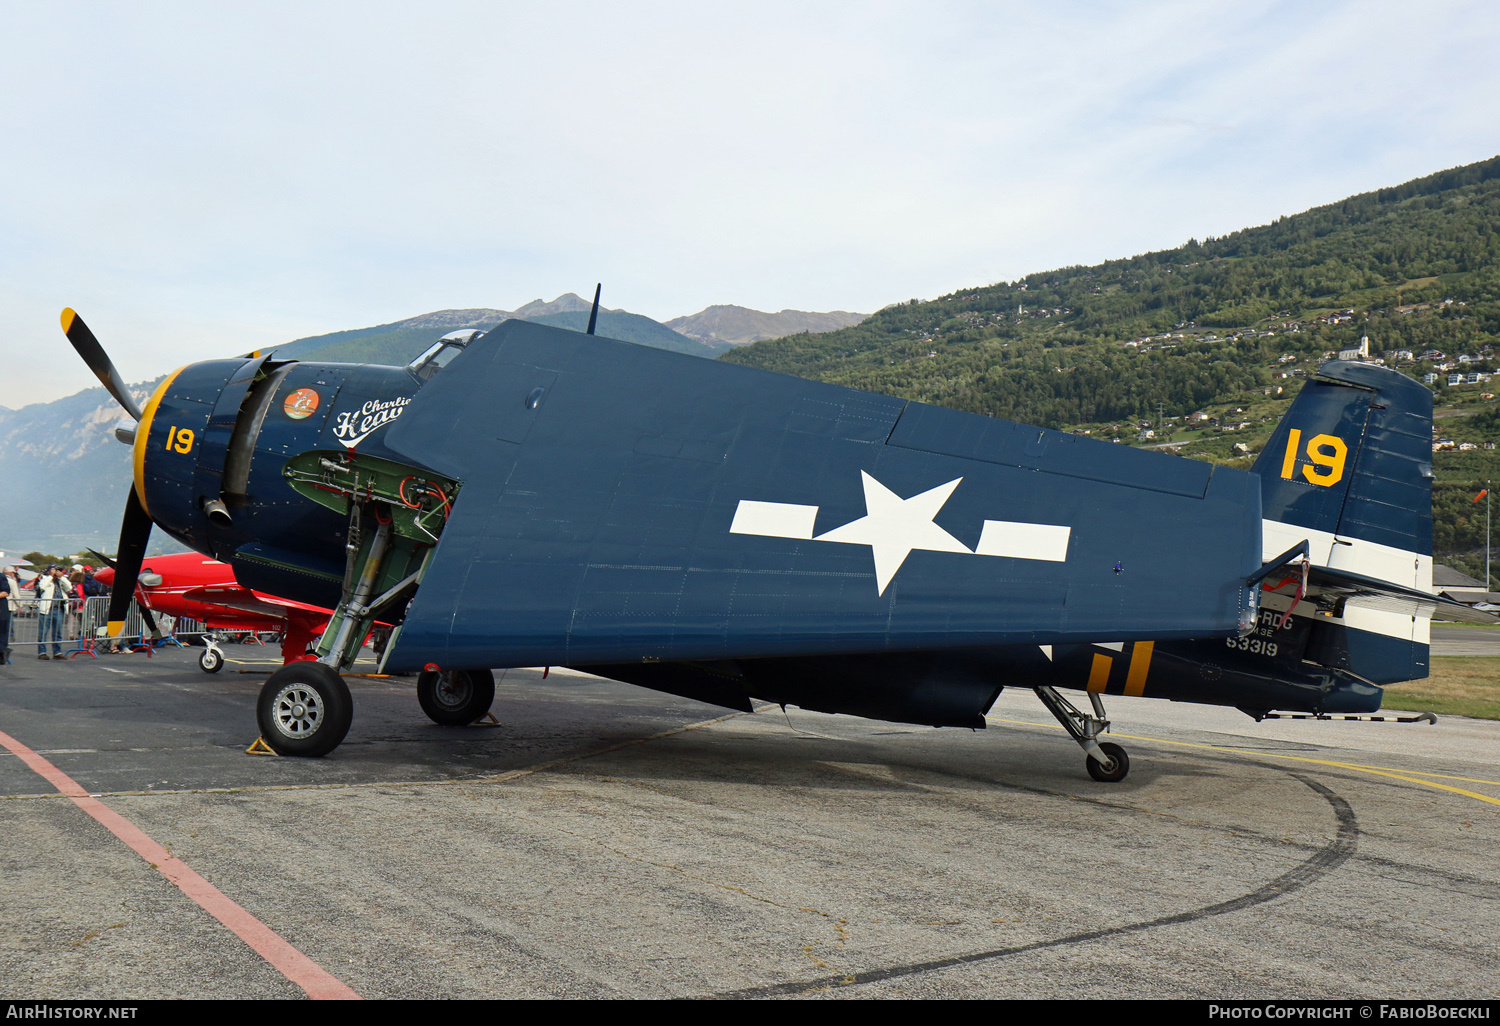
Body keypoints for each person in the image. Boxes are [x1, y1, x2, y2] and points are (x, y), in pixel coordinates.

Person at [34, 565, 72, 659]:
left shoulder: (61, 580)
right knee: (43, 631)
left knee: (58, 631)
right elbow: (42, 586)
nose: (56, 572)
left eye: (57, 570)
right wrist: (51, 576)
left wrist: (61, 577)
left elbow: (69, 588)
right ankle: (42, 652)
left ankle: (57, 652)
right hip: (47, 609)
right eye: (54, 570)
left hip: (59, 608)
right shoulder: (45, 578)